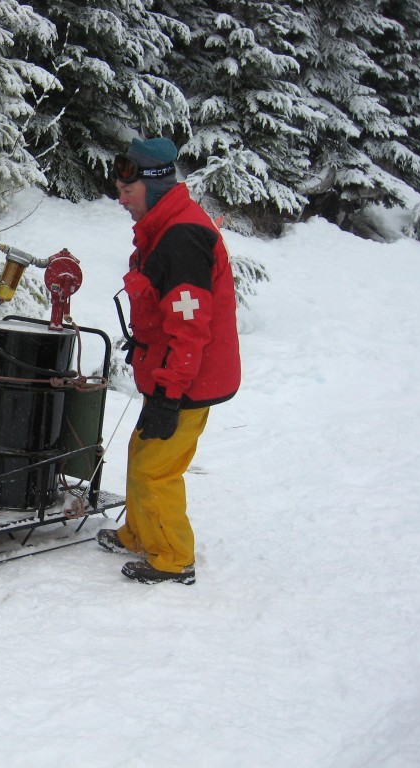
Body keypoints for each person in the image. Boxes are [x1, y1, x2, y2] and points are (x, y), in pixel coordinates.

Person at [97, 137, 240, 585]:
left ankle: (173, 558)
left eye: (128, 191)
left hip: (187, 379)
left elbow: (190, 326)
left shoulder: (181, 238)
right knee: (142, 452)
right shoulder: (167, 225)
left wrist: (169, 395)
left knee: (155, 469)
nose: (121, 200)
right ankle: (141, 532)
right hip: (171, 372)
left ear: (155, 186)